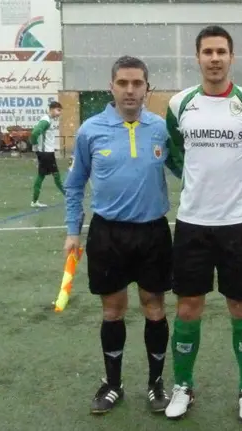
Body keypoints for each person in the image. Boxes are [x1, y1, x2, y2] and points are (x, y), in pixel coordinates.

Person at [162, 25, 242, 423]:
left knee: (241, 307)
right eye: (208, 51)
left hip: (238, 225)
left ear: (232, 57)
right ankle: (182, 386)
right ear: (197, 57)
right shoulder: (180, 104)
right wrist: (197, 184)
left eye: (221, 52)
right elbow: (175, 154)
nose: (214, 58)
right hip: (192, 224)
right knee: (188, 307)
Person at [64, 55, 179, 415]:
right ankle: (113, 384)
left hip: (153, 233)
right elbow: (74, 184)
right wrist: (72, 232)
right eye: (123, 83)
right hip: (108, 234)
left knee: (154, 307)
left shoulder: (161, 129)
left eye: (137, 84)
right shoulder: (90, 130)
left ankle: (156, 383)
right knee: (113, 311)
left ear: (147, 87)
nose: (130, 90)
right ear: (111, 86)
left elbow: (188, 170)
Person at [30, 101, 64, 207]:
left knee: (41, 176)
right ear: (51, 109)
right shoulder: (46, 121)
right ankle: (69, 197)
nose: (59, 113)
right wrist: (35, 146)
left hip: (46, 153)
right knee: (56, 175)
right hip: (46, 154)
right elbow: (35, 133)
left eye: (60, 111)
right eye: (58, 110)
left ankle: (34, 201)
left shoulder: (49, 120)